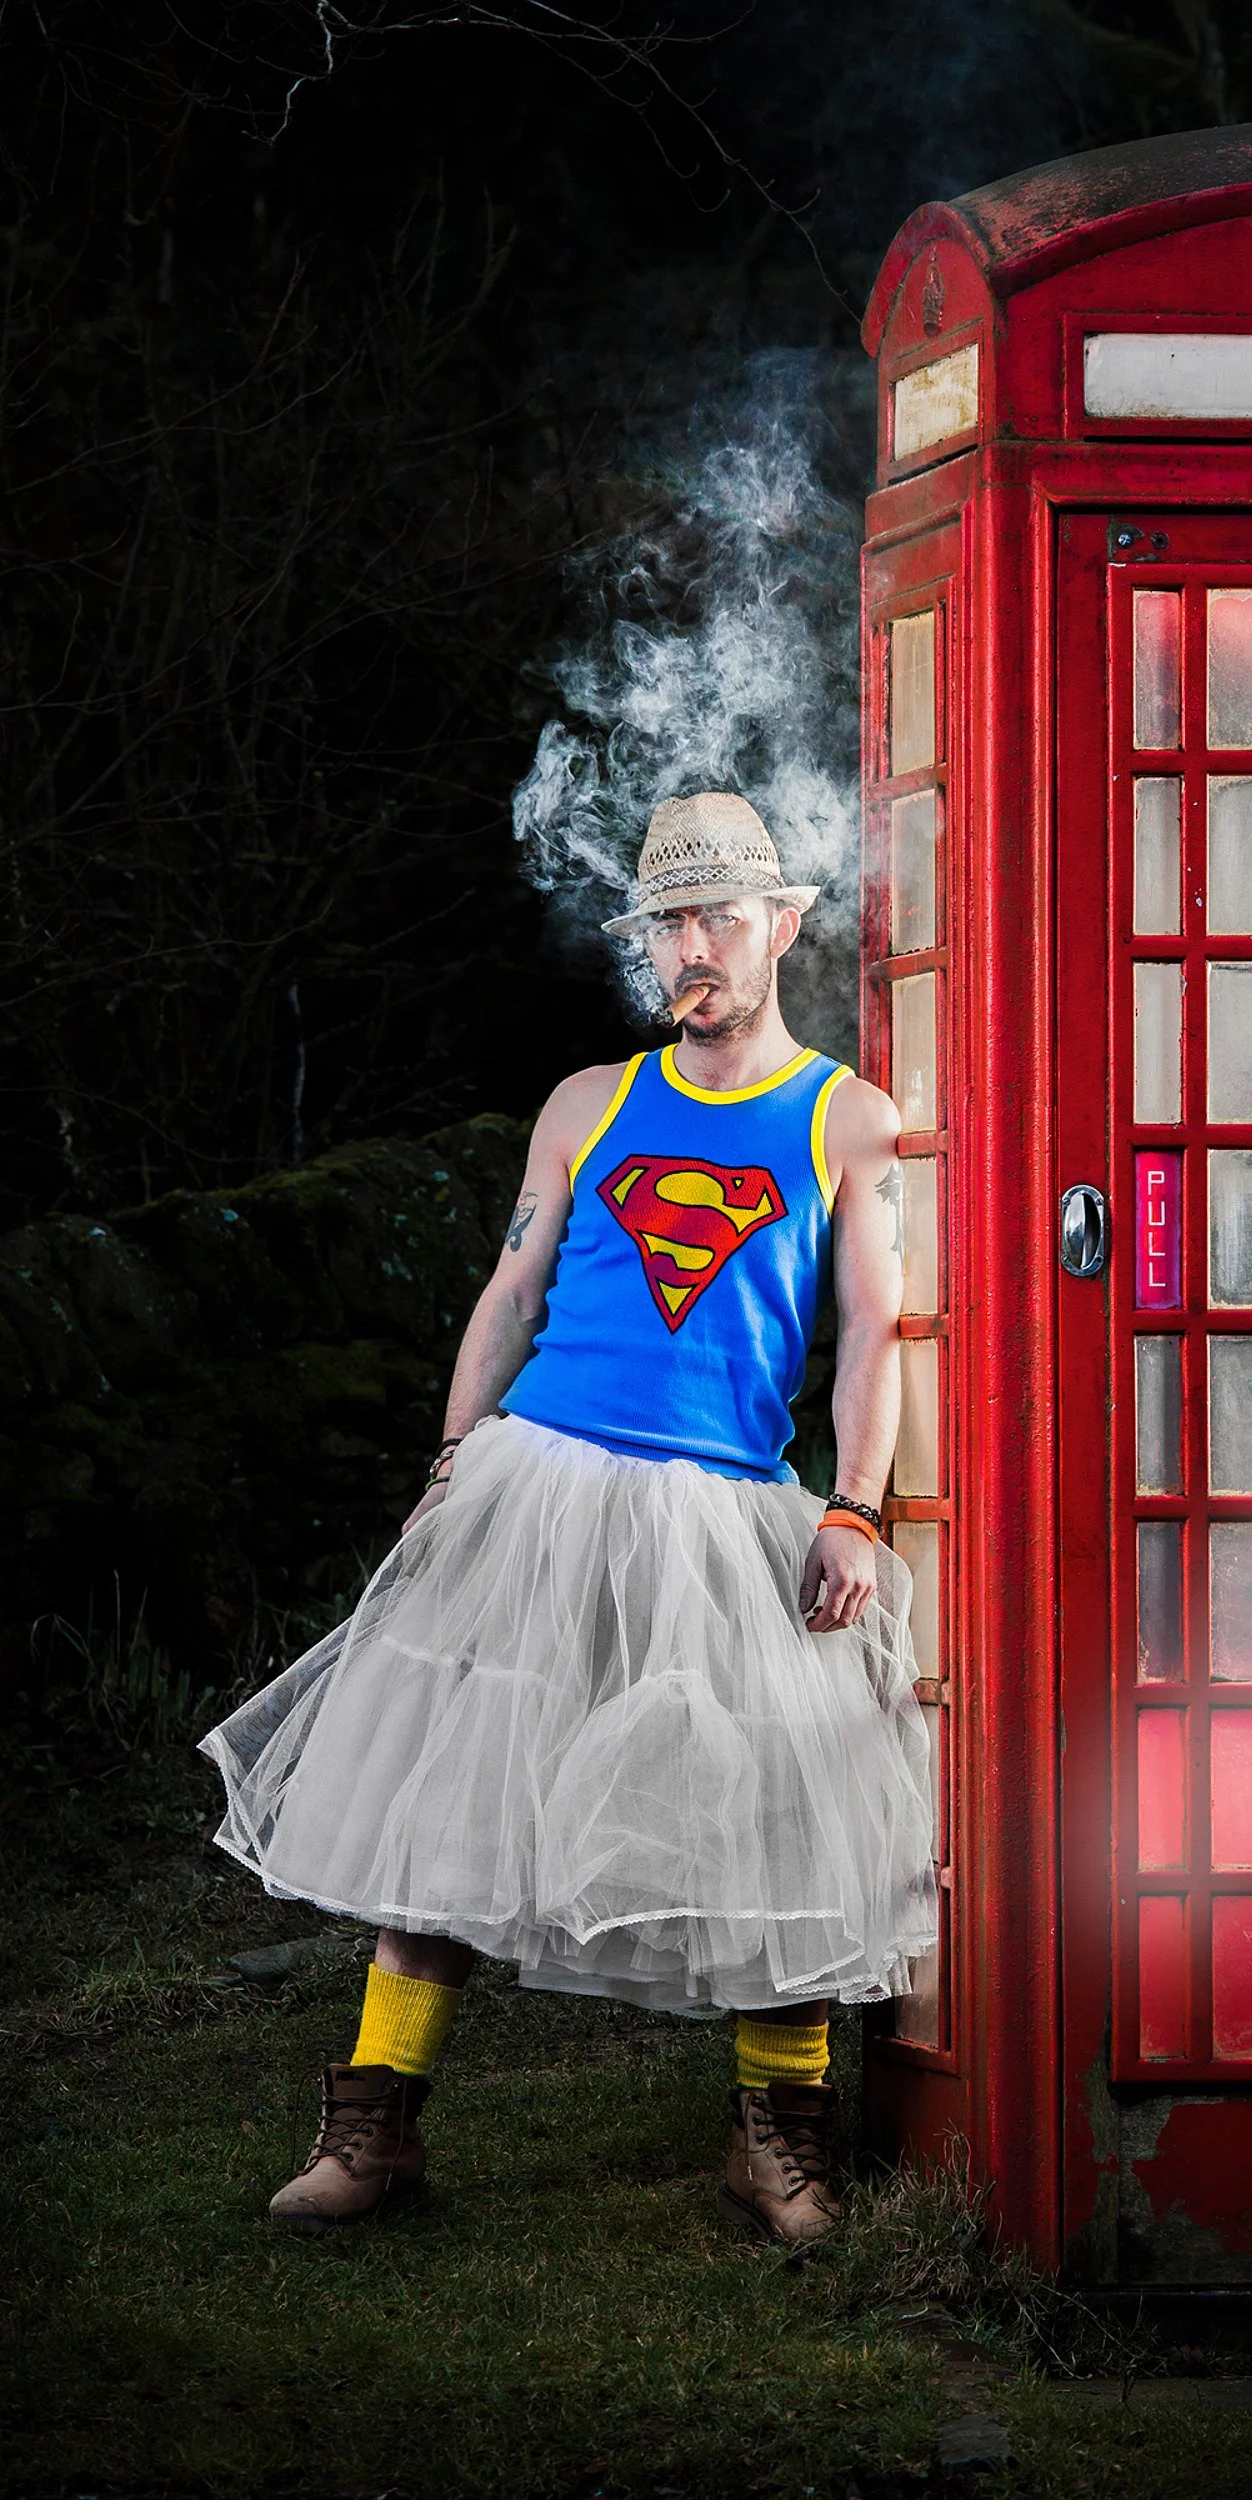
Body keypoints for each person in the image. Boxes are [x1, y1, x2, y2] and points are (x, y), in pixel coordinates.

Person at [201, 792, 936, 2244]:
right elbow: (513, 1291)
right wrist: (451, 1456)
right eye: (667, 923)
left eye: (719, 915)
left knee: (780, 1806)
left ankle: (774, 2146)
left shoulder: (845, 1118)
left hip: (724, 1505)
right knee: (444, 1792)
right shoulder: (586, 1100)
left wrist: (853, 1506)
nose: (690, 948)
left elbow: (870, 1335)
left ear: (782, 924)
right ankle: (372, 2136)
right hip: (534, 1481)